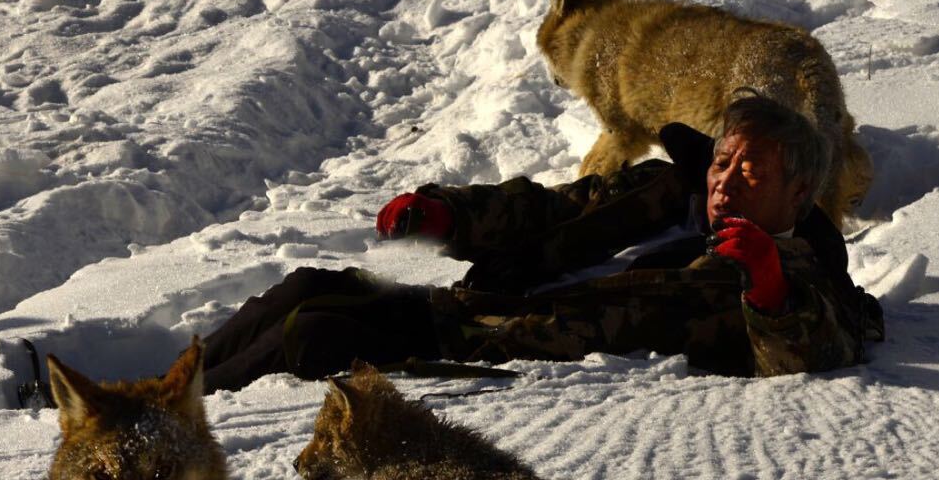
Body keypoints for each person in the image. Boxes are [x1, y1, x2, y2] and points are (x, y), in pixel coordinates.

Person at [201, 91, 883, 392]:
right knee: (304, 287)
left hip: (505, 341)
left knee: (311, 329)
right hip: (476, 302)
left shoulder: (800, 269)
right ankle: (166, 391)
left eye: (750, 172)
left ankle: (164, 431)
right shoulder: (658, 189)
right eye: (721, 162)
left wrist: (766, 288)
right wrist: (445, 214)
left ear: (796, 196)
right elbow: (544, 209)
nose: (724, 182)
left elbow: (822, 348)